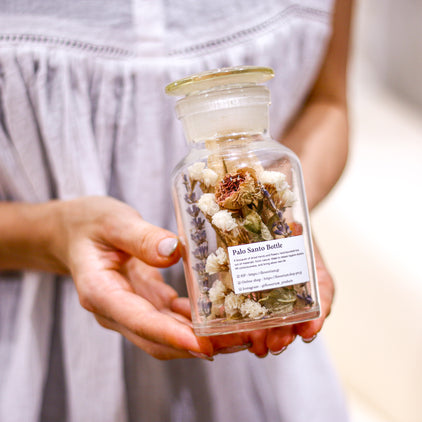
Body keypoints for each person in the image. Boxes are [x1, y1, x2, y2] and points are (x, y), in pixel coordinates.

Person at [0, 0, 352, 421]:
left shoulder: (257, 166)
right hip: (33, 349)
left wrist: (280, 217)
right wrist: (52, 236)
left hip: (269, 362)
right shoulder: (190, 173)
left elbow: (328, 103)